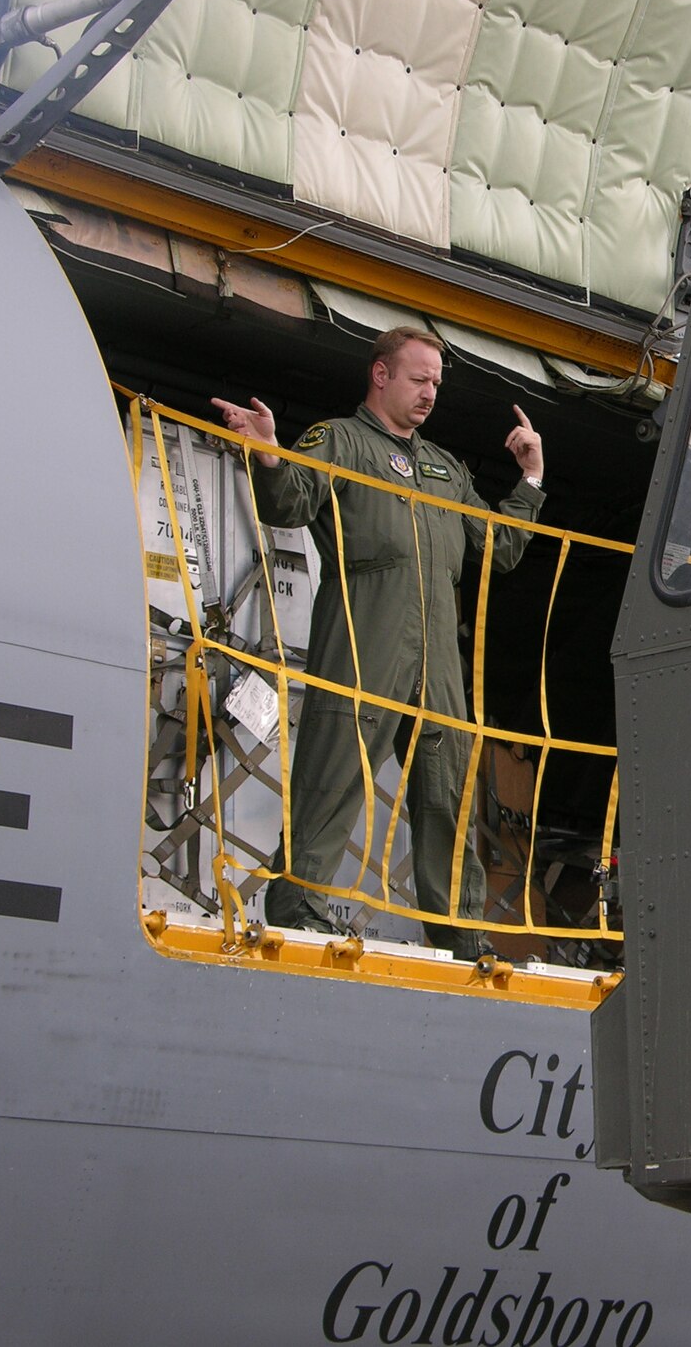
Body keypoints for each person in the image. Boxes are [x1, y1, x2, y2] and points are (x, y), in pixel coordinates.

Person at [210, 327, 545, 956]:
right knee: (333, 772)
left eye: (437, 383)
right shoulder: (339, 440)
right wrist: (270, 456)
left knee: (447, 792)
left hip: (436, 655)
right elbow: (288, 505)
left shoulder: (445, 468)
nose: (430, 393)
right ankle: (299, 908)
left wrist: (530, 478)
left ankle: (462, 933)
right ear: (381, 375)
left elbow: (497, 548)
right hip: (363, 632)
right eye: (419, 379)